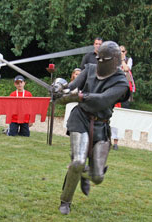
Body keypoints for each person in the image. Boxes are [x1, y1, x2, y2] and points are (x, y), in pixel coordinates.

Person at [53, 41, 129, 215]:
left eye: (105, 59)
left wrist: (78, 96)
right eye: (99, 58)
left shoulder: (121, 83)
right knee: (78, 161)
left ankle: (79, 173)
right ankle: (65, 201)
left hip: (101, 125)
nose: (101, 62)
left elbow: (102, 100)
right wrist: (58, 89)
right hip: (80, 118)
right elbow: (71, 87)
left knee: (97, 177)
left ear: (115, 59)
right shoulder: (89, 69)